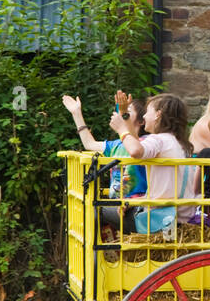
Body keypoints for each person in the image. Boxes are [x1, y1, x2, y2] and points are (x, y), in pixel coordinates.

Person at [105, 94, 196, 234]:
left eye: (148, 111)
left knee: (96, 209)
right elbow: (138, 144)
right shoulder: (180, 144)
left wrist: (121, 130)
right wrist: (124, 116)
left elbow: (135, 150)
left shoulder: (159, 140)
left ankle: (104, 254)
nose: (144, 116)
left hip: (160, 221)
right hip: (182, 218)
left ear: (158, 115)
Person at [62, 91, 149, 229]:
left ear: (141, 121)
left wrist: (124, 117)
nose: (121, 113)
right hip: (118, 206)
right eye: (120, 109)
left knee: (92, 211)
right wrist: (76, 113)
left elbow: (135, 144)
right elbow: (89, 144)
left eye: (127, 110)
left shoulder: (145, 143)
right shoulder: (115, 145)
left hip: (135, 207)